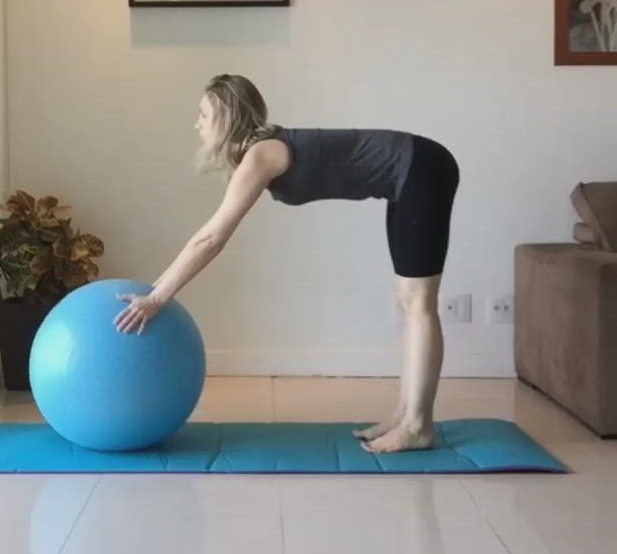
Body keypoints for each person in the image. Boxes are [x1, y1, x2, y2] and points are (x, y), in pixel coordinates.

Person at [115, 74, 460, 453]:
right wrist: (152, 293)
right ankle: (406, 414)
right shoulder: (259, 149)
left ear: (227, 119)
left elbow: (211, 238)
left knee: (418, 302)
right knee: (408, 299)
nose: (196, 123)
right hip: (408, 173)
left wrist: (157, 298)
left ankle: (417, 426)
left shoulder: (262, 154)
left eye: (203, 115)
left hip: (423, 168)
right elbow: (207, 237)